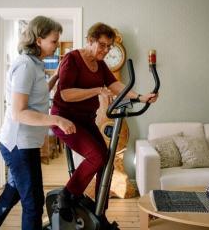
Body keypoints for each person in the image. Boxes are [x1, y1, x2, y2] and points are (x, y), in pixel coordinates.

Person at [51, 22, 158, 222]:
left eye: (109, 46)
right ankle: (65, 196)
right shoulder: (72, 59)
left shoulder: (100, 65)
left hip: (85, 120)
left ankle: (100, 211)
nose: (106, 50)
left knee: (105, 161)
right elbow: (65, 94)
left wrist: (140, 97)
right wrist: (97, 91)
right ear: (90, 41)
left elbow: (115, 85)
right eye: (102, 45)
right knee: (97, 156)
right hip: (64, 119)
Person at [0, 16, 76, 230]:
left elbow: (38, 96)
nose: (56, 45)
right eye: (53, 41)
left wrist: (57, 76)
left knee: (13, 193)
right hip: (18, 145)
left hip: (26, 143)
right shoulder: (25, 66)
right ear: (38, 39)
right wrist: (57, 119)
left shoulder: (35, 64)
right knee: (33, 204)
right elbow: (19, 112)